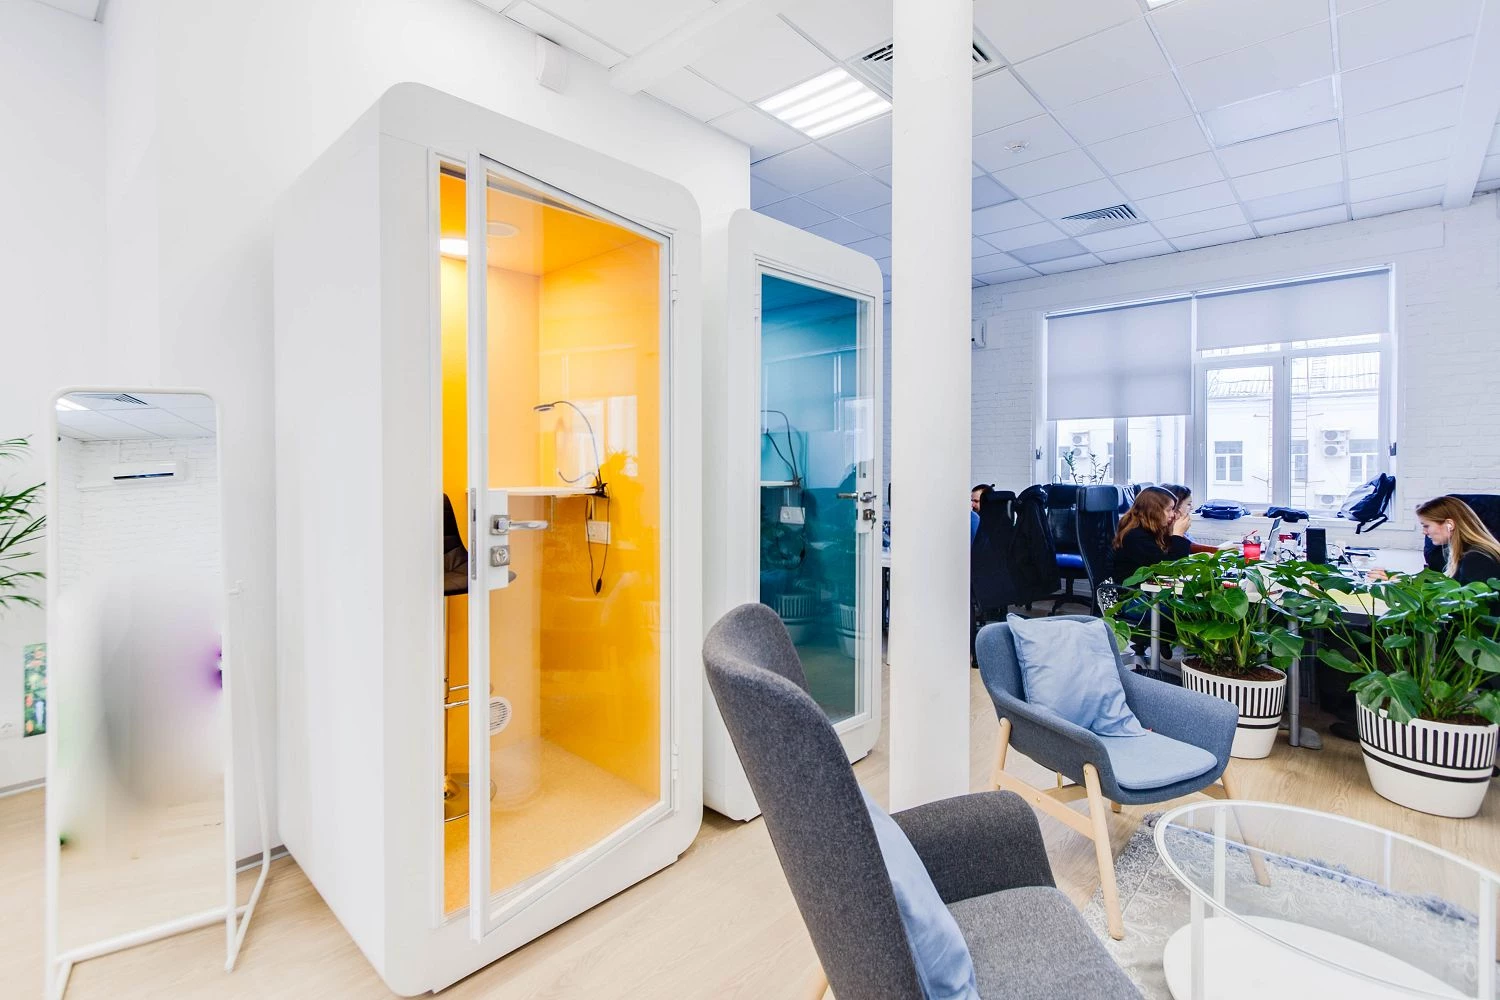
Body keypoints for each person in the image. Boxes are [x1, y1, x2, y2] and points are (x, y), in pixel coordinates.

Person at [1368, 497, 1500, 584]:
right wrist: (1398, 579)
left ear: (1450, 524)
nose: (1424, 532)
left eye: (1426, 526)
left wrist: (1401, 582)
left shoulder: (1477, 559)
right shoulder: (1461, 552)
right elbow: (1441, 586)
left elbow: (1461, 606)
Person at [1112, 485, 1192, 585]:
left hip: (1150, 587)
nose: (1172, 515)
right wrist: (1178, 535)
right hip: (1133, 591)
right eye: (1169, 510)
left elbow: (1168, 557)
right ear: (1154, 511)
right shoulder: (1135, 536)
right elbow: (1169, 569)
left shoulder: (1153, 530)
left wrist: (1171, 532)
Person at [1161, 484, 1219, 554]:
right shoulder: (1167, 532)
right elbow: (1191, 548)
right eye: (1188, 504)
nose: (1192, 508)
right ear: (1175, 505)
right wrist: (1221, 550)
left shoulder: (1176, 527)